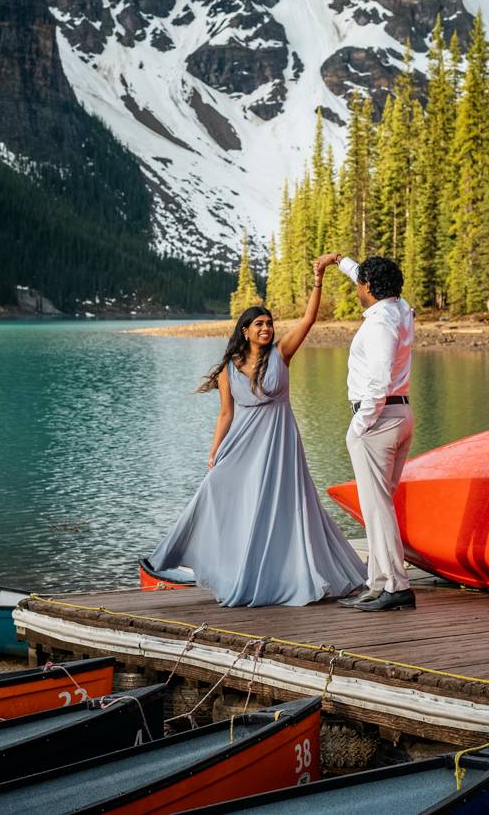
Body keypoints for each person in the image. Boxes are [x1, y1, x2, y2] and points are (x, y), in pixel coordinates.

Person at [145, 253, 366, 607]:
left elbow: (309, 319)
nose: (267, 328)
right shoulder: (227, 370)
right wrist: (214, 452)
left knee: (287, 505)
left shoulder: (282, 353)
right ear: (245, 331)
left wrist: (319, 278)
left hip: (280, 441)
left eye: (269, 323)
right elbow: (225, 415)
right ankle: (182, 556)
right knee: (216, 490)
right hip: (243, 444)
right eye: (259, 324)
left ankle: (285, 573)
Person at [332, 254, 416, 611]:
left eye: (358, 284)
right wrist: (341, 262)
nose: (356, 289)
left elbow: (378, 380)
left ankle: (395, 585)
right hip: (399, 415)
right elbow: (365, 276)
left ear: (368, 287)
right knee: (378, 505)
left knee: (377, 506)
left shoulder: (381, 322)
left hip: (378, 421)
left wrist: (359, 426)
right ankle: (379, 582)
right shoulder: (401, 308)